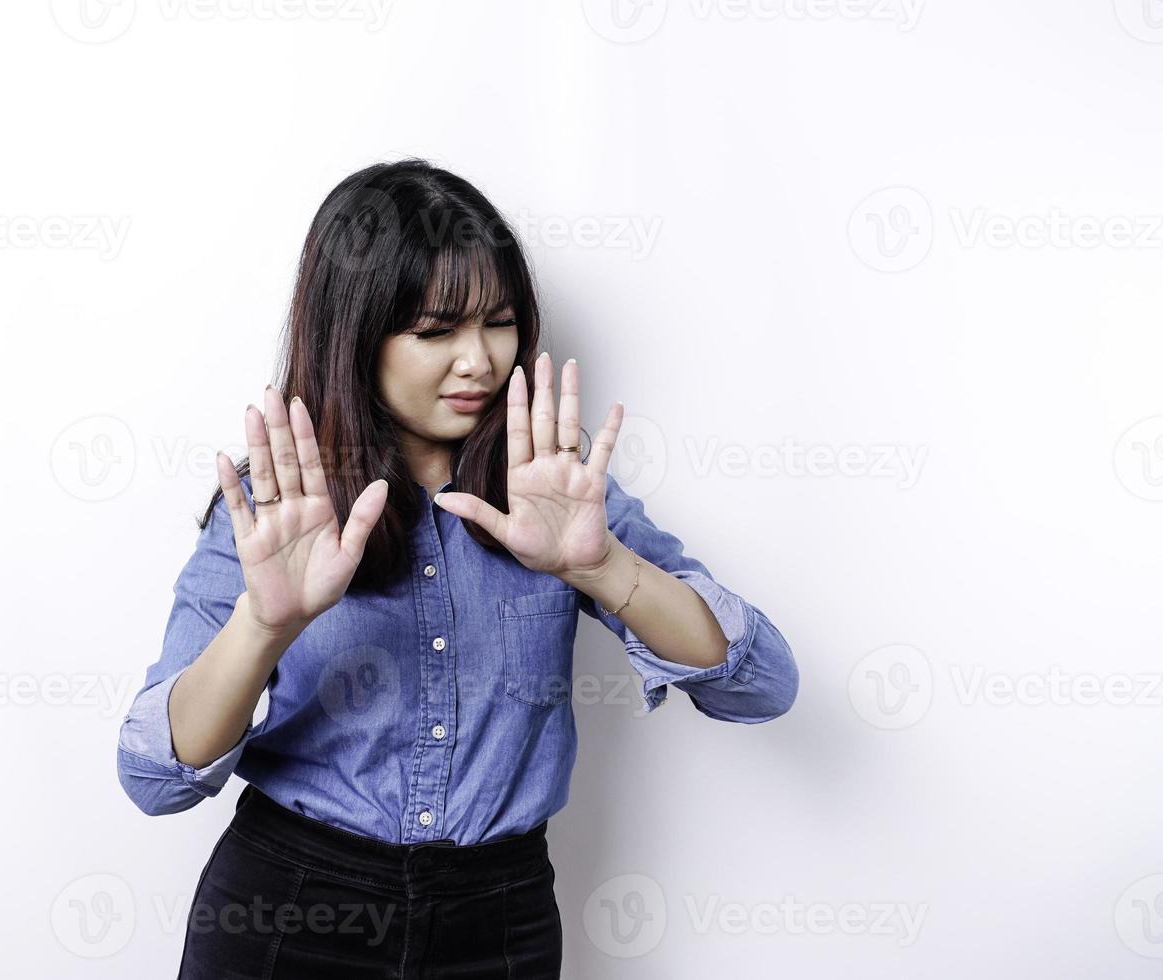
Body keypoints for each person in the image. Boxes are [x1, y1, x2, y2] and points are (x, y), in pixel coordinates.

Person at [115, 158, 800, 979]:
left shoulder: (553, 485)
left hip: (499, 924)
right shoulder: (280, 505)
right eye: (436, 330)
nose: (479, 360)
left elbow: (762, 686)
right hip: (288, 914)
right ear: (356, 332)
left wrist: (605, 566)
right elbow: (154, 778)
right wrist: (265, 624)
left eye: (499, 322)